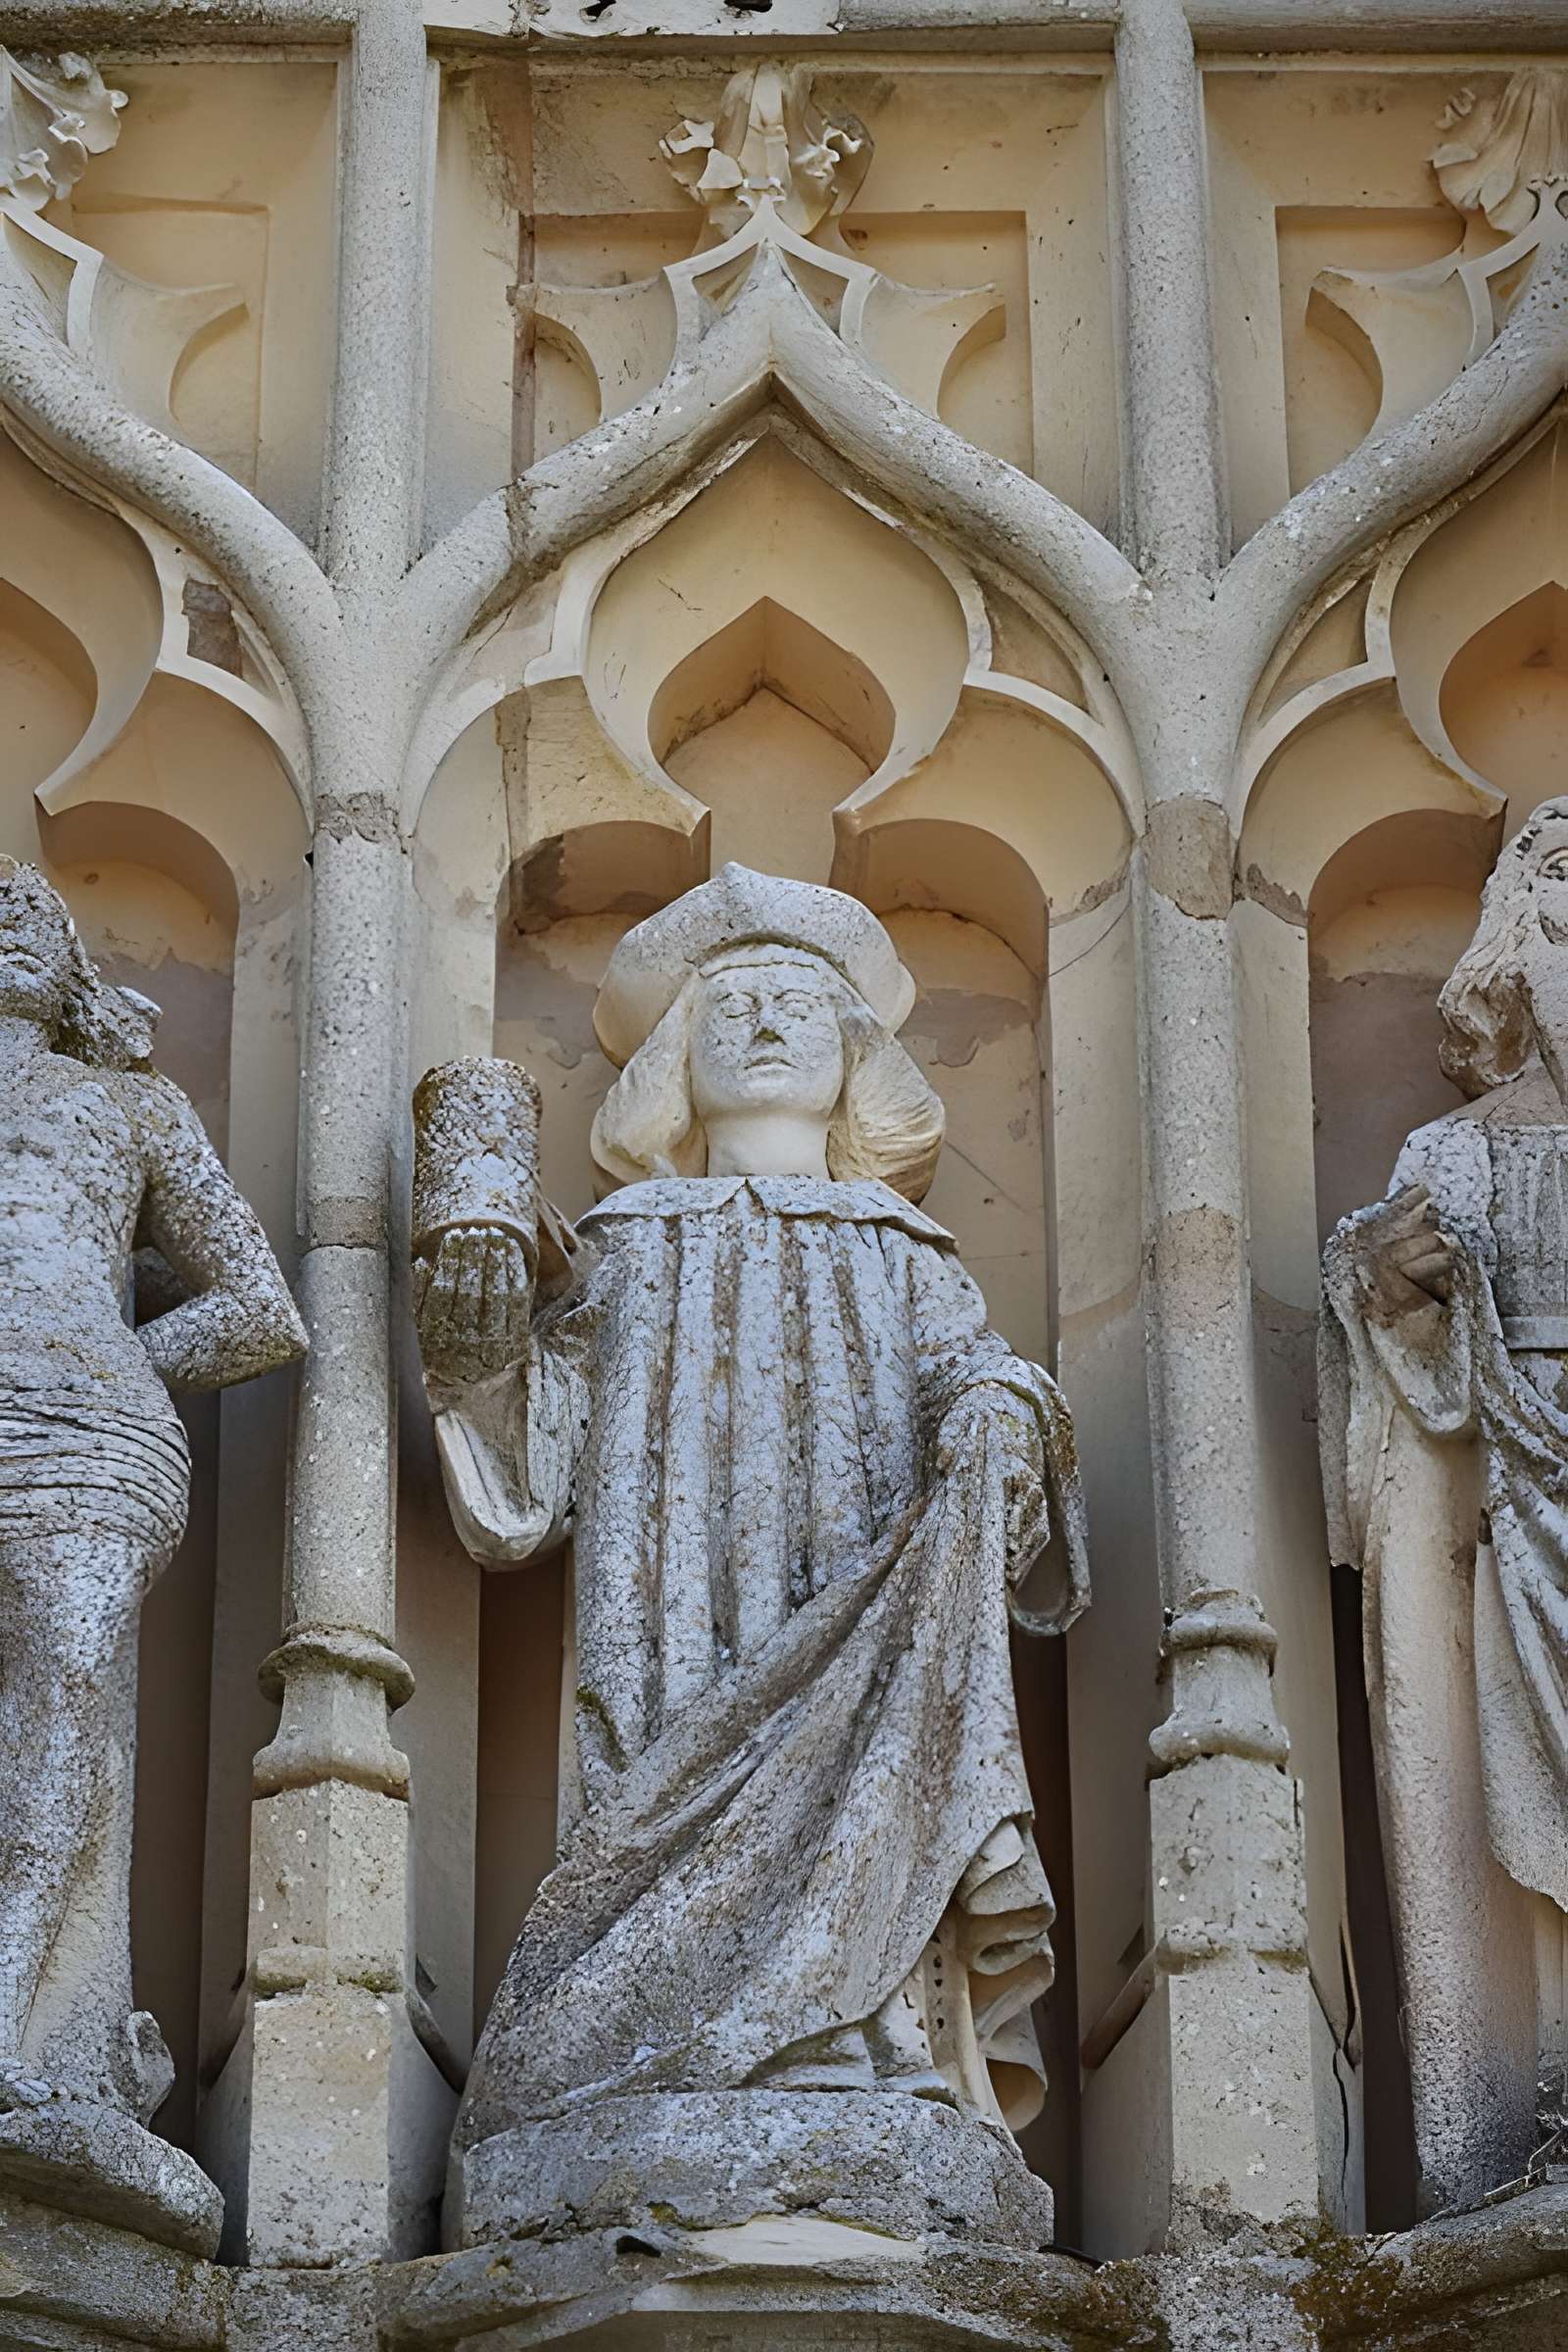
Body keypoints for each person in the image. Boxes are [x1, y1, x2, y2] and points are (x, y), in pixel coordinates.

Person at [415, 864, 1088, 2214]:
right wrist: (476, 1339)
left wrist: (1005, 1412)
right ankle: (638, 2059)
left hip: (859, 1596)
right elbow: (537, 1461)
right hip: (661, 1619)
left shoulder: (907, 1251)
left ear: (856, 1061)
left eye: (798, 1003)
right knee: (650, 1765)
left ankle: (865, 2046)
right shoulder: (619, 1245)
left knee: (874, 1764)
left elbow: (975, 1371)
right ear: (676, 1061)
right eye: (732, 1008)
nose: (768, 1021)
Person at [0, 859, 306, 2125]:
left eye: (34, 913)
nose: (13, 923)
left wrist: (113, 1355)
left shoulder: (128, 1107)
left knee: (69, 1690)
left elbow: (261, 1308)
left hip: (87, 1437)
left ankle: (11, 2011)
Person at [1321, 802, 1568, 2212]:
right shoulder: (1456, 1155)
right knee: (1521, 1799)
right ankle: (1545, 2100)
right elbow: (1396, 1355)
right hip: (1515, 1509)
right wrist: (1389, 1286)